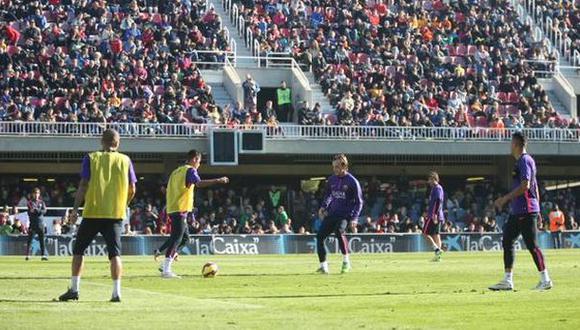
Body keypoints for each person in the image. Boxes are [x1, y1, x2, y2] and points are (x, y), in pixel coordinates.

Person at [59, 129, 137, 302]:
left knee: (79, 250)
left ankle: (74, 289)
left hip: (93, 212)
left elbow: (83, 185)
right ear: (118, 143)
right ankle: (116, 293)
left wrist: (74, 209)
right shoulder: (126, 160)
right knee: (115, 254)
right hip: (115, 214)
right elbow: (133, 189)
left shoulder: (91, 158)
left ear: (101, 142)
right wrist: (123, 204)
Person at [489, 132, 553, 291]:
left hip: (525, 209)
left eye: (511, 143)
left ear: (517, 144)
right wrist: (537, 208)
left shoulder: (524, 161)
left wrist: (505, 199)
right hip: (521, 210)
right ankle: (507, 280)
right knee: (508, 239)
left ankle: (545, 279)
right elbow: (535, 186)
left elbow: (526, 185)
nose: (510, 146)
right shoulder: (525, 161)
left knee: (532, 245)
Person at [155, 150, 229, 278]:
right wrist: (218, 180)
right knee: (177, 238)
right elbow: (199, 183)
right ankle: (166, 269)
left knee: (184, 238)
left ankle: (165, 261)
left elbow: (174, 191)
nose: (199, 165)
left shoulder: (176, 172)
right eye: (199, 162)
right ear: (194, 159)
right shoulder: (190, 171)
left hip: (174, 207)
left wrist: (191, 215)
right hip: (179, 209)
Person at [316, 154, 363, 274]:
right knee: (320, 236)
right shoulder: (331, 179)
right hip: (332, 213)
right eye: (333, 166)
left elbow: (359, 202)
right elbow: (328, 195)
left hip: (345, 215)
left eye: (337, 166)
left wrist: (354, 219)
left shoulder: (353, 182)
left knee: (338, 231)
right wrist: (323, 207)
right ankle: (323, 266)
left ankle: (346, 262)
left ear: (344, 166)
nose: (334, 169)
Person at [423, 172, 445, 262]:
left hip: (434, 215)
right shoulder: (435, 188)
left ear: (433, 179)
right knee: (436, 235)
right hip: (437, 215)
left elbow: (438, 201)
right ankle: (438, 256)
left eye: (429, 179)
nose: (428, 182)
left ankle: (436, 249)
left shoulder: (437, 188)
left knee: (424, 233)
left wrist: (434, 214)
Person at [26, 188, 48, 260]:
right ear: (32, 194)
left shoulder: (42, 202)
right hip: (33, 223)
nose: (36, 195)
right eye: (35, 193)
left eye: (37, 193)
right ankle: (28, 255)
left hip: (40, 223)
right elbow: (30, 212)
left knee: (42, 240)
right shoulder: (30, 202)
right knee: (30, 240)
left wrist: (37, 211)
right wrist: (38, 211)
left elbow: (44, 211)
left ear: (39, 194)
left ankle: (43, 255)